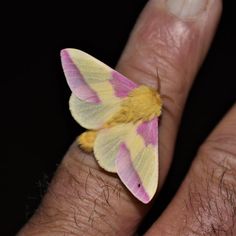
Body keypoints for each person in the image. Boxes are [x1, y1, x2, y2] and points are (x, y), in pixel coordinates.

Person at [19, 0, 236, 235]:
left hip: (102, 114)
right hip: (112, 135)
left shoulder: (126, 89)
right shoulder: (151, 127)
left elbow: (74, 61)